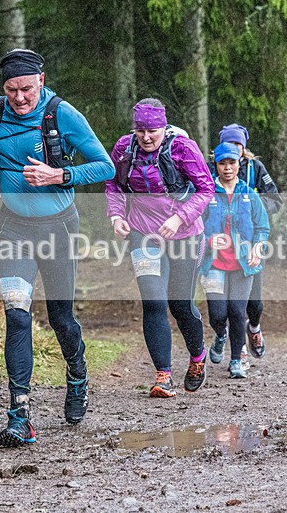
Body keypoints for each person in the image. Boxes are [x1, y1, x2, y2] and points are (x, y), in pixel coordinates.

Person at [0, 49, 114, 447]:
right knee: (17, 317)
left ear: (41, 80)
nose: (19, 98)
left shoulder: (62, 114)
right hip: (13, 228)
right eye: (11, 90)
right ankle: (19, 415)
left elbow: (105, 166)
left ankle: (77, 372)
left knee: (60, 319)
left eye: (25, 89)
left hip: (57, 227)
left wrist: (60, 173)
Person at [105, 98, 214, 397]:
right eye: (140, 130)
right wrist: (116, 215)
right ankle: (162, 375)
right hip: (143, 232)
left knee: (180, 305)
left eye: (152, 130)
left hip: (185, 235)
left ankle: (197, 357)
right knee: (153, 301)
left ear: (164, 128)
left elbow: (206, 189)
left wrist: (180, 218)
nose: (146, 137)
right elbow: (113, 184)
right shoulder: (125, 148)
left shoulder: (183, 148)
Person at [201, 142, 270, 379]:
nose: (227, 168)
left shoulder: (249, 194)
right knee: (218, 314)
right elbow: (195, 227)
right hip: (213, 264)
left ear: (239, 163)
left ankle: (236, 361)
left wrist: (258, 247)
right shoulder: (207, 193)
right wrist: (209, 241)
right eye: (222, 163)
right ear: (216, 165)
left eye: (232, 163)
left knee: (238, 312)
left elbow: (263, 227)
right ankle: (220, 335)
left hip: (243, 264)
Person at [217, 124, 282, 367]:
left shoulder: (255, 168)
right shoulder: (215, 171)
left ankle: (253, 327)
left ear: (244, 147)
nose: (233, 151)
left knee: (253, 303)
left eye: (237, 145)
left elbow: (275, 200)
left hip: (250, 245)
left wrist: (251, 209)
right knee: (229, 305)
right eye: (229, 145)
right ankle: (238, 349)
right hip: (221, 248)